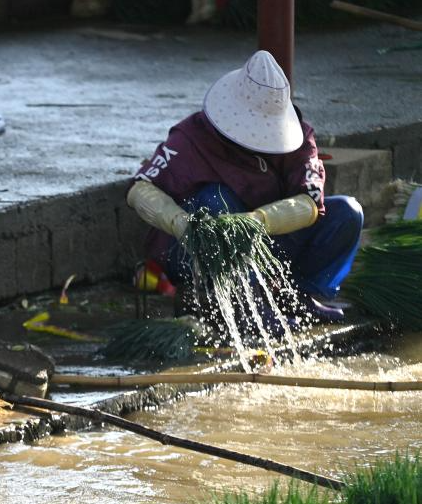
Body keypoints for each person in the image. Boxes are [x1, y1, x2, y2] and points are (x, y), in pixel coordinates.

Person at [126, 50, 363, 323]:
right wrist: (180, 223)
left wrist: (252, 223)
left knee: (347, 212)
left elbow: (309, 201)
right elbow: (139, 188)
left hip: (265, 241)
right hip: (199, 251)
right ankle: (238, 302)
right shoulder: (192, 137)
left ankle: (296, 295)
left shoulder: (299, 137)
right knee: (215, 198)